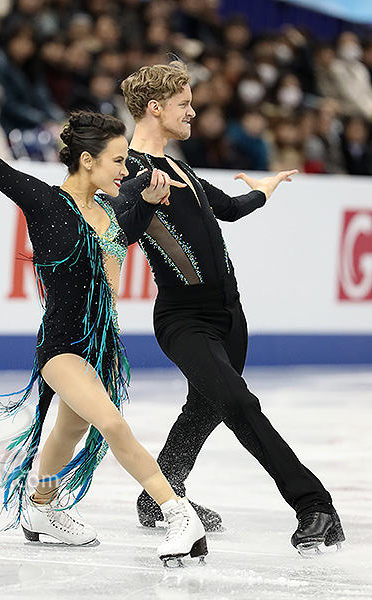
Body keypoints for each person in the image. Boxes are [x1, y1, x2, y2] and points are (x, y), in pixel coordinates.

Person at [0, 64, 207, 565]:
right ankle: (179, 515)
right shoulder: (44, 202)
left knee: (70, 431)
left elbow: (135, 234)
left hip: (102, 347)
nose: (126, 171)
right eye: (118, 162)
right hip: (62, 348)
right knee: (112, 426)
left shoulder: (116, 210)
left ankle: (41, 508)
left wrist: (153, 202)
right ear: (88, 161)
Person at [115, 61, 345, 556]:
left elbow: (228, 209)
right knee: (239, 404)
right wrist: (145, 204)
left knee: (203, 410)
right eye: (184, 104)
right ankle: (314, 505)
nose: (193, 112)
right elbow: (120, 232)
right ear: (155, 108)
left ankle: (160, 496)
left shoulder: (179, 166)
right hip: (183, 319)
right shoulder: (130, 173)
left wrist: (264, 188)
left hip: (230, 317)